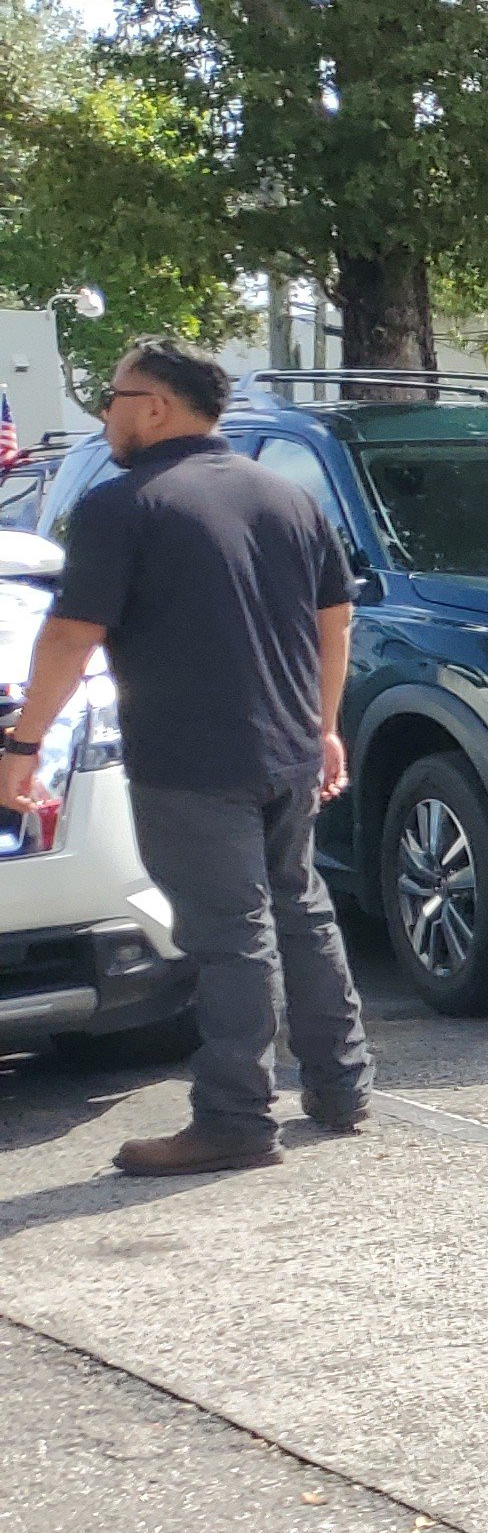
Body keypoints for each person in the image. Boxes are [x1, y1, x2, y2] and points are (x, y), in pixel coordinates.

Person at [1, 341, 371, 1173]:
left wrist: (24, 744)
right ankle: (341, 1088)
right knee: (300, 912)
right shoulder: (286, 496)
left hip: (192, 760)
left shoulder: (123, 505)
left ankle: (235, 1120)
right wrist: (325, 724)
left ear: (157, 406)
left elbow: (69, 636)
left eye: (114, 395)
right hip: (287, 747)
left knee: (230, 937)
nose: (105, 414)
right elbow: (334, 622)